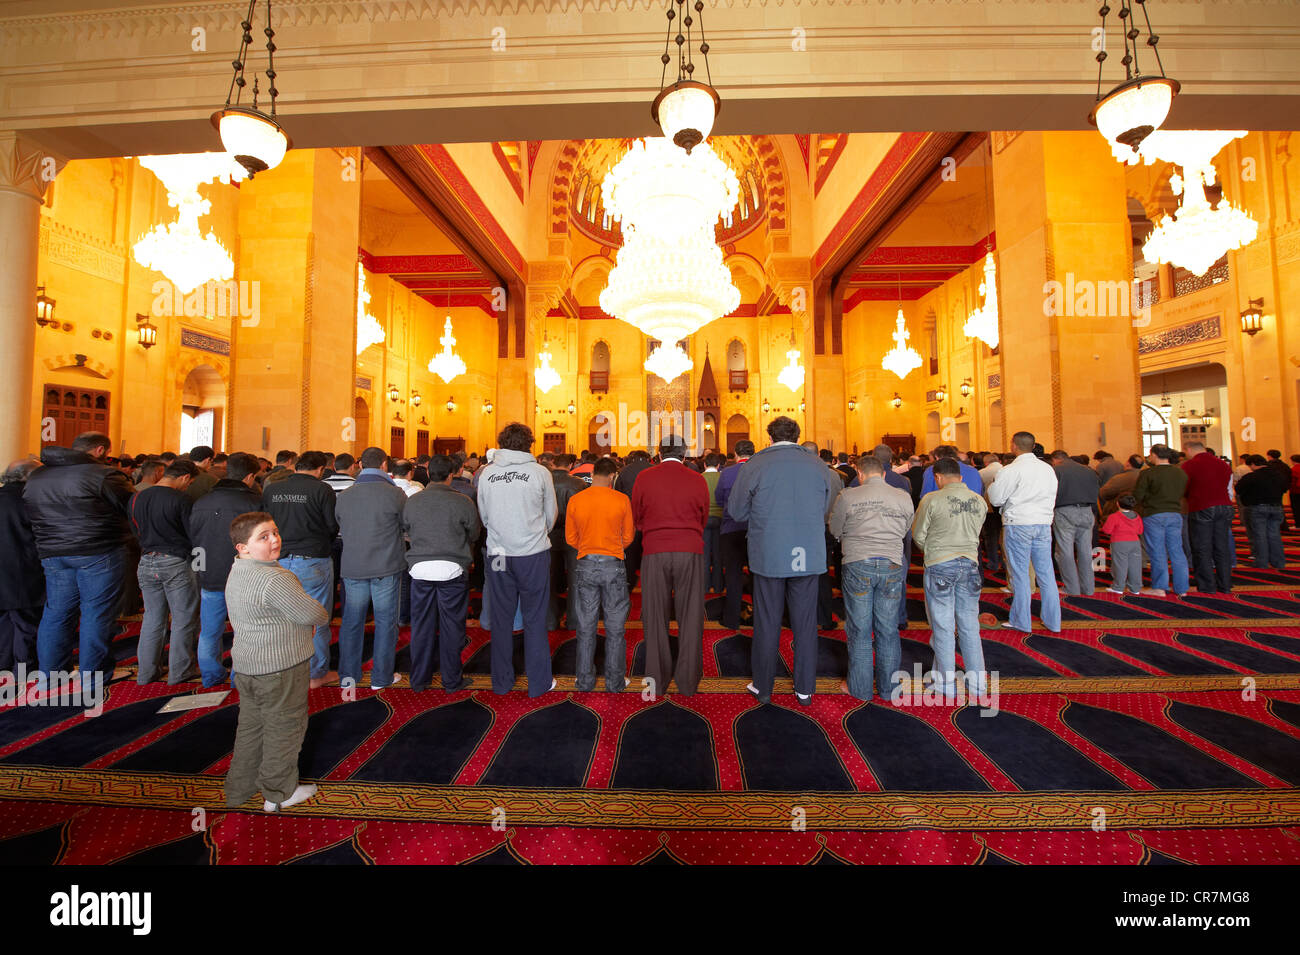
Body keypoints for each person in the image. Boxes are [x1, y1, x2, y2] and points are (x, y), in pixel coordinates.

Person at [727, 416, 838, 705]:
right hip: (807, 552)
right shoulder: (818, 465)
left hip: (769, 552)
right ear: (797, 435)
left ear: (770, 436)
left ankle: (763, 687)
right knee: (805, 622)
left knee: (766, 621)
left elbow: (737, 511)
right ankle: (804, 688)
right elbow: (825, 508)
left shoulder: (756, 464)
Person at [223, 511, 326, 812]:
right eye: (263, 537)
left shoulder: (238, 569)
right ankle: (278, 793)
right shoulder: (274, 577)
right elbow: (314, 614)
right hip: (280, 666)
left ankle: (240, 788)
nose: (274, 540)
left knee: (252, 727)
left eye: (275, 533)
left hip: (247, 663)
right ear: (243, 547)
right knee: (285, 729)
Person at [24, 432, 135, 690]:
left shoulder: (38, 476)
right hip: (99, 551)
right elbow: (131, 507)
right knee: (96, 614)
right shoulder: (102, 475)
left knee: (56, 614)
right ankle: (92, 677)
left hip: (52, 552)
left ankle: (51, 676)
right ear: (100, 451)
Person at [476, 423, 557, 696]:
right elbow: (551, 516)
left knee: (501, 617)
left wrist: (503, 533)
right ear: (529, 443)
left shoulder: (487, 474)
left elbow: (484, 516)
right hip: (532, 554)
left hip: (498, 554)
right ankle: (539, 682)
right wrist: (531, 532)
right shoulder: (539, 472)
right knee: (534, 617)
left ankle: (501, 682)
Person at [829, 455, 913, 702]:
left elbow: (835, 530)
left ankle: (860, 688)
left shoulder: (848, 496)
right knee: (887, 629)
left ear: (860, 474)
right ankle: (888, 689)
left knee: (859, 629)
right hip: (892, 563)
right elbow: (907, 527)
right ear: (884, 474)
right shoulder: (902, 496)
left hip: (858, 563)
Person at [631, 435, 710, 696]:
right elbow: (703, 515)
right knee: (691, 615)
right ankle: (688, 681)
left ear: (659, 453)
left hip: (655, 550)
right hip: (690, 549)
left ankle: (656, 679)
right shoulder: (697, 479)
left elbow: (637, 515)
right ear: (685, 455)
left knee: (654, 616)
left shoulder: (645, 477)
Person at [911, 456, 988, 698]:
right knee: (969, 625)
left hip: (940, 565)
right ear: (961, 477)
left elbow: (919, 535)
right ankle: (978, 684)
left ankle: (945, 683)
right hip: (970, 565)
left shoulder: (931, 499)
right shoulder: (978, 501)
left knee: (943, 627)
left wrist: (934, 551)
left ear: (938, 477)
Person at [262, 450, 339, 689]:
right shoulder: (321, 489)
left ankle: (281, 668)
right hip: (312, 559)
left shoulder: (272, 489)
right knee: (315, 618)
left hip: (279, 559)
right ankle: (315, 674)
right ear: (319, 470)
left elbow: (264, 523)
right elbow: (331, 526)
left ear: (296, 467)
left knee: (281, 618)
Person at [404, 454, 480, 692]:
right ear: (451, 475)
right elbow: (475, 534)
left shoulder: (413, 501)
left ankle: (418, 680)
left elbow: (406, 531)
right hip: (452, 569)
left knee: (422, 625)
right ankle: (451, 680)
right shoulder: (462, 501)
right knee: (452, 626)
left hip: (420, 570)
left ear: (427, 474)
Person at [335, 446, 407, 690]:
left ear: (360, 465)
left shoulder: (345, 495)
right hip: (385, 566)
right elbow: (405, 527)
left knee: (352, 622)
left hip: (354, 565)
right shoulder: (395, 494)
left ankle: (348, 676)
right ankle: (381, 677)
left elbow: (340, 526)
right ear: (385, 465)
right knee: (386, 622)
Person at [189, 451, 263, 687]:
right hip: (243, 575)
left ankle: (210, 675)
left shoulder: (202, 501)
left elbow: (194, 537)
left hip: (208, 572)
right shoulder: (253, 502)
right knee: (244, 630)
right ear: (250, 477)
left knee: (210, 630)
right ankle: (237, 676)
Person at [566, 456, 636, 692]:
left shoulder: (577, 499)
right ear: (612, 476)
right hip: (613, 564)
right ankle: (614, 682)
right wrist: (611, 548)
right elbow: (628, 537)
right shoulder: (621, 499)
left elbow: (570, 538)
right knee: (615, 627)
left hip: (585, 563)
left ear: (593, 474)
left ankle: (584, 681)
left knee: (586, 625)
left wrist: (589, 547)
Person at [131, 459, 201, 684]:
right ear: (185, 478)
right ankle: (180, 672)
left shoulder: (137, 497)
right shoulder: (181, 499)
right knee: (183, 619)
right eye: (188, 483)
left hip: (146, 560)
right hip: (176, 561)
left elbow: (134, 529)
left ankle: (146, 673)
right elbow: (194, 535)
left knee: (152, 618)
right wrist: (200, 565)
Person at [987, 431, 1061, 633]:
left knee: (1020, 574)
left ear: (1013, 446)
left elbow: (995, 499)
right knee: (1046, 574)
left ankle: (1021, 620)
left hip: (1018, 523)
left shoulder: (1011, 470)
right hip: (1044, 523)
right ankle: (1053, 621)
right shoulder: (1048, 469)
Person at [0, 459, 44, 675]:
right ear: (29, 477)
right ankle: (24, 667)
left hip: (6, 569)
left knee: (3, 621)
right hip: (23, 569)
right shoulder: (30, 500)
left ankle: (3, 663)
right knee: (26, 622)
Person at [1134, 443, 1189, 598]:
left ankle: (1160, 587)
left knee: (1157, 551)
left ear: (1155, 455)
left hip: (1154, 514)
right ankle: (1182, 588)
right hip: (1175, 514)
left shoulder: (1148, 473)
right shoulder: (1180, 473)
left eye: (1150, 455)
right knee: (1177, 551)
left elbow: (1138, 495)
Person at [1181, 440, 1234, 594]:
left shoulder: (1190, 465)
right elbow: (1228, 486)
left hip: (1202, 506)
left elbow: (1185, 487)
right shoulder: (1223, 464)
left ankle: (1207, 586)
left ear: (1188, 449)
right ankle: (1225, 585)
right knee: (1222, 547)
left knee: (1201, 548)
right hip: (1225, 506)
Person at [714, 440, 755, 630]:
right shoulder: (760, 471)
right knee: (758, 575)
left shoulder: (727, 473)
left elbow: (719, 499)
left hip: (730, 529)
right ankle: (760, 617)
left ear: (736, 455)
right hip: (756, 531)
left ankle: (731, 619)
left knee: (733, 575)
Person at [1050, 449, 1101, 596]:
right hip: (1087, 511)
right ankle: (1088, 588)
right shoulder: (1089, 470)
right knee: (1085, 551)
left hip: (1065, 511)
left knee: (1064, 551)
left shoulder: (1056, 470)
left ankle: (1071, 588)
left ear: (1056, 459)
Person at [1236, 454, 1288, 569]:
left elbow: (1238, 489)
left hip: (1257, 507)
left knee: (1259, 536)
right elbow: (1285, 488)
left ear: (1253, 464)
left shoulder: (1252, 476)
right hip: (1276, 506)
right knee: (1274, 535)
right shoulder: (1278, 475)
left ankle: (1261, 562)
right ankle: (1278, 562)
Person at [1101, 493, 1144, 595]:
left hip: (1119, 543)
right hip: (1135, 543)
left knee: (1120, 565)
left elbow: (1107, 530)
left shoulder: (1114, 516)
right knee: (1135, 566)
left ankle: (1118, 587)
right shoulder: (1137, 516)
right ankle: (1135, 588)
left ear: (1117, 504)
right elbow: (1140, 531)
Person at [701, 452, 725, 594]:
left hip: (704, 519)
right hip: (720, 519)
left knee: (704, 556)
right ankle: (718, 586)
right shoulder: (722, 477)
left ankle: (704, 586)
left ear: (704, 464)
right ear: (718, 465)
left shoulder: (699, 478)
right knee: (718, 556)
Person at [919, 445, 983, 498]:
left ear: (937, 457)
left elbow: (925, 497)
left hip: (943, 511)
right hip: (972, 510)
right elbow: (980, 493)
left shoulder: (932, 470)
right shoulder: (973, 471)